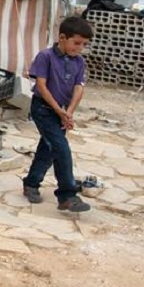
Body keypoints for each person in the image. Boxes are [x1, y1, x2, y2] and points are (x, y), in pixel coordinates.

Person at [22, 16, 94, 213]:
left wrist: (68, 112)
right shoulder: (45, 56)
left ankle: (31, 183)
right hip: (43, 109)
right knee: (61, 149)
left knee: (48, 148)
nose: (79, 48)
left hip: (61, 110)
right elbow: (42, 86)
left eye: (84, 44)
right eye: (76, 43)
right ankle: (67, 195)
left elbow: (79, 88)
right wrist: (58, 110)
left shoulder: (79, 62)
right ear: (62, 37)